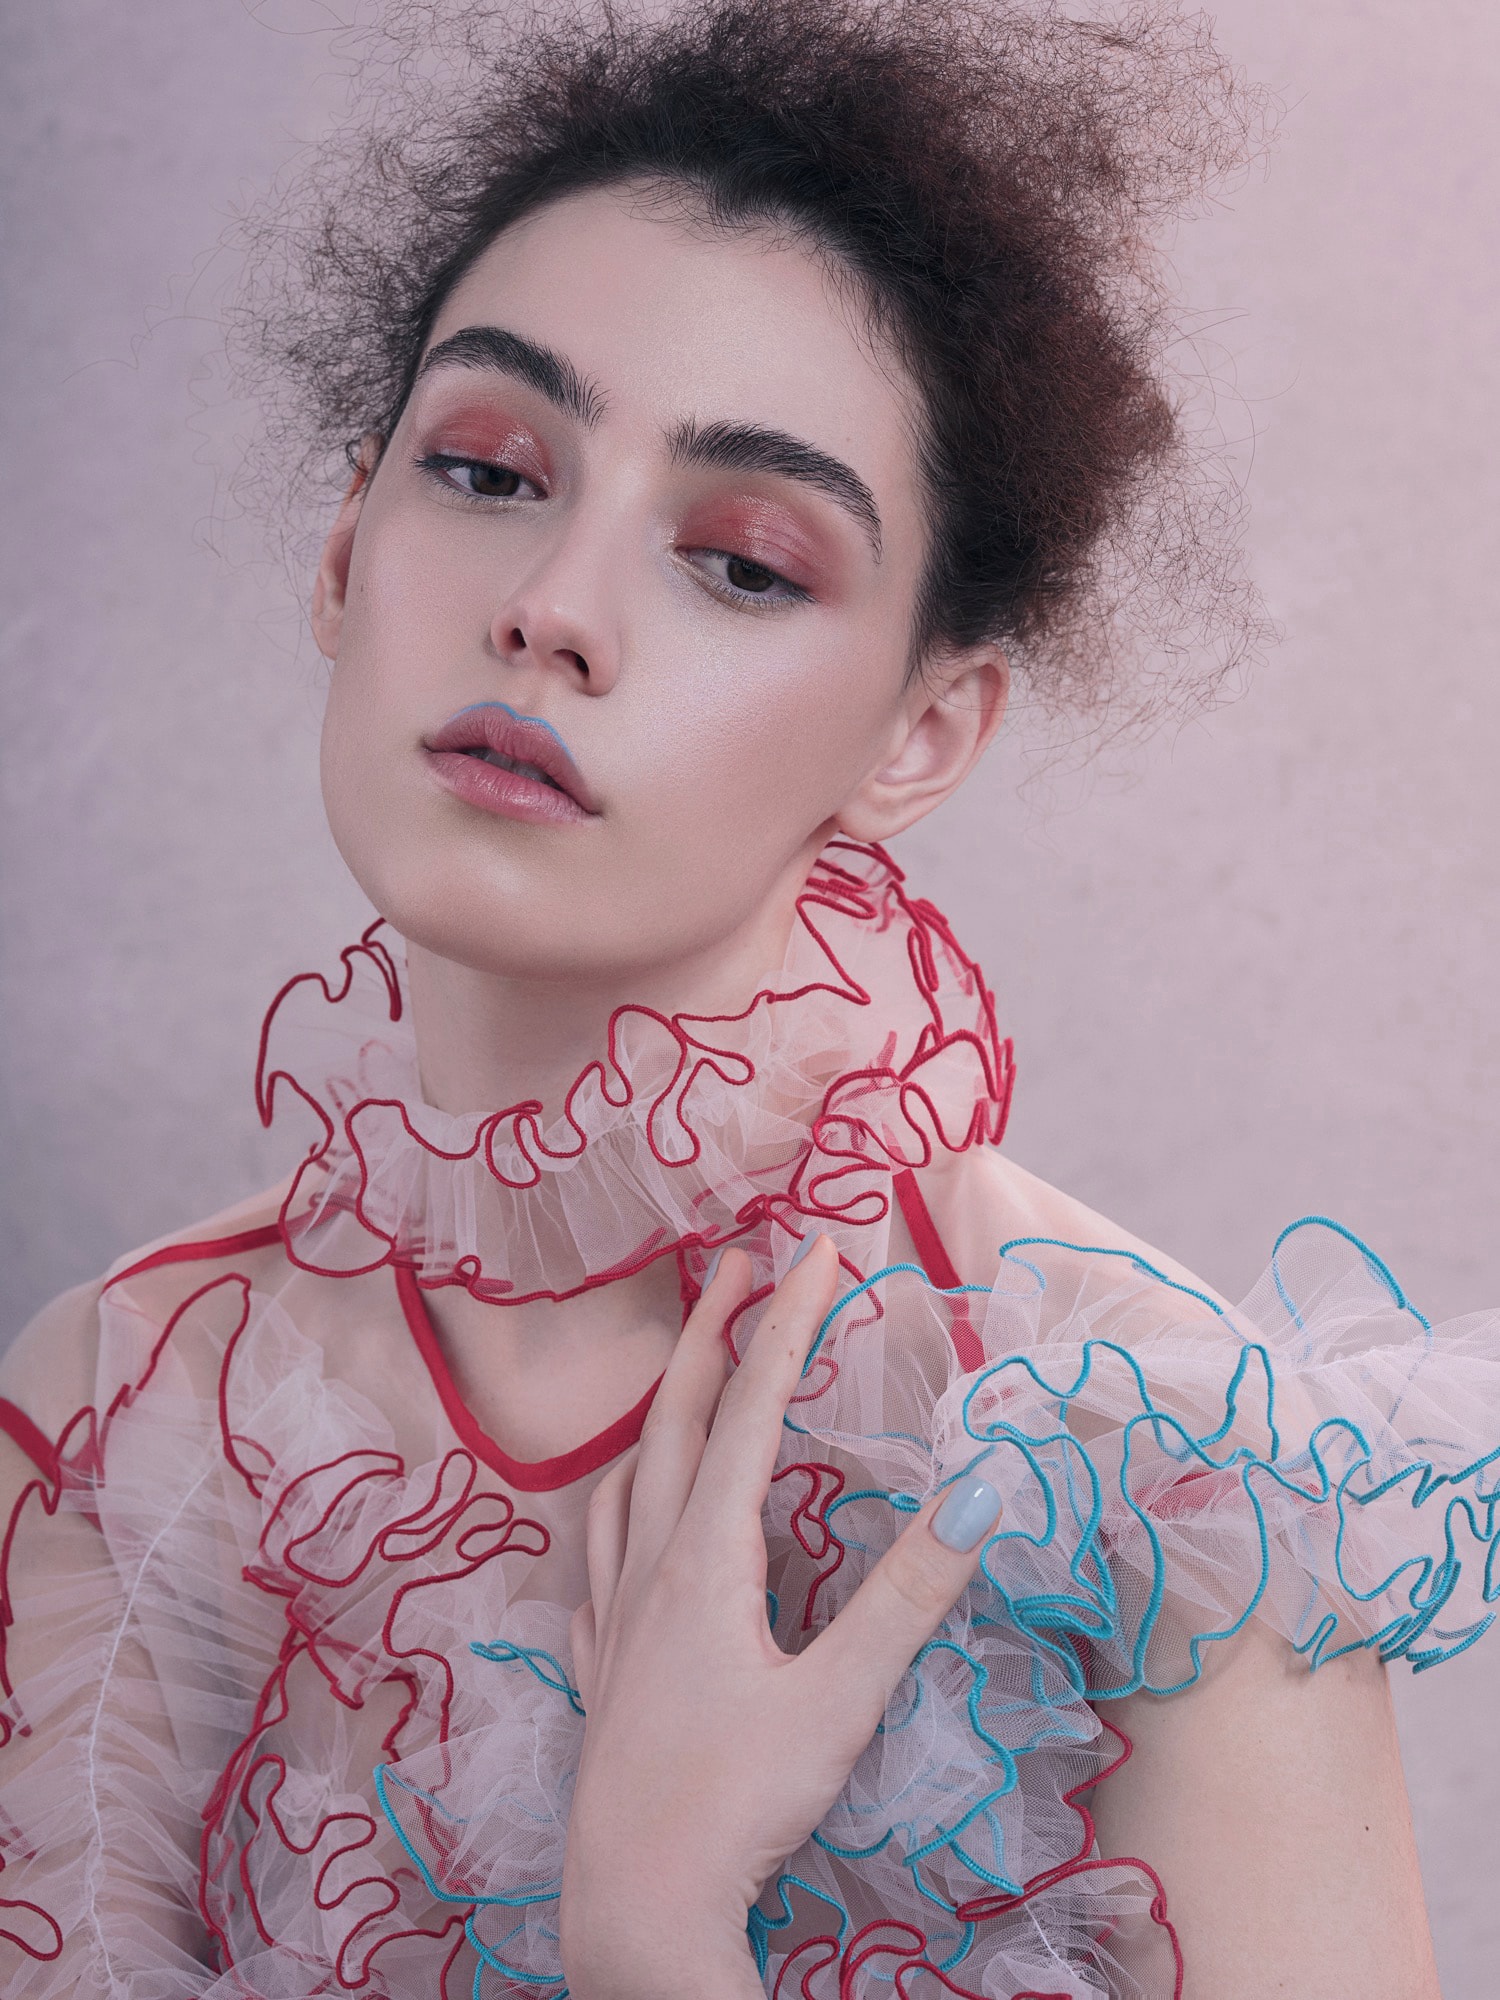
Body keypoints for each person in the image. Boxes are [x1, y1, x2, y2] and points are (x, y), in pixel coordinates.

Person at [0, 2, 1491, 1994]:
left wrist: (658, 1925)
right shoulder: (126, 1412)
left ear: (921, 734)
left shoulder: (1140, 1459)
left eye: (744, 564)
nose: (552, 610)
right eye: (488, 469)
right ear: (349, 548)